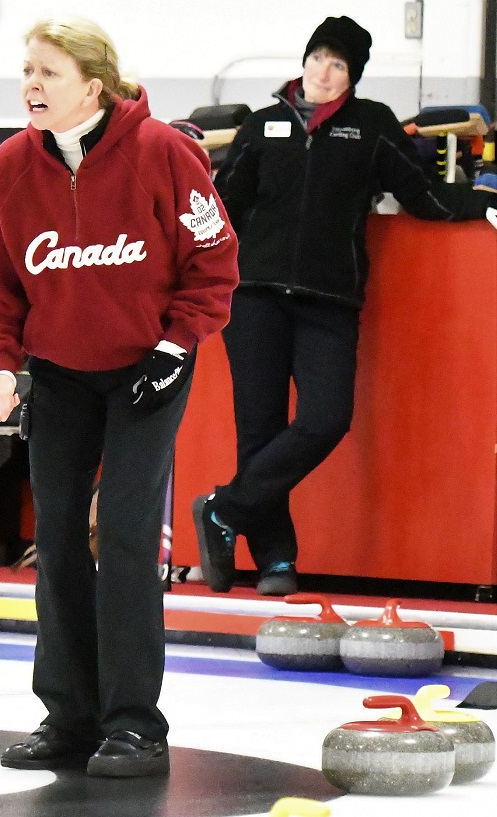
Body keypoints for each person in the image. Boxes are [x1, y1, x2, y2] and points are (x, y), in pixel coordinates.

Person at [0, 16, 239, 777]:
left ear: (91, 86)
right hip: (58, 375)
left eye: (47, 73)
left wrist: (174, 344)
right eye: (26, 70)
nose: (30, 84)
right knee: (55, 538)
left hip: (146, 370)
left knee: (121, 535)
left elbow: (213, 262)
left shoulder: (163, 152)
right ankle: (69, 714)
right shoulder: (9, 166)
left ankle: (132, 724)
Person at [195, 15, 497, 597]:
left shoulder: (373, 126)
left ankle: (223, 509)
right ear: (303, 61)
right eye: (317, 59)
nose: (323, 74)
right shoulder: (261, 126)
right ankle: (277, 560)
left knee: (326, 418)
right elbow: (223, 206)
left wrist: (481, 199)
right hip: (253, 297)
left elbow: (424, 195)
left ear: (352, 76)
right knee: (258, 429)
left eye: (338, 65)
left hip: (330, 299)